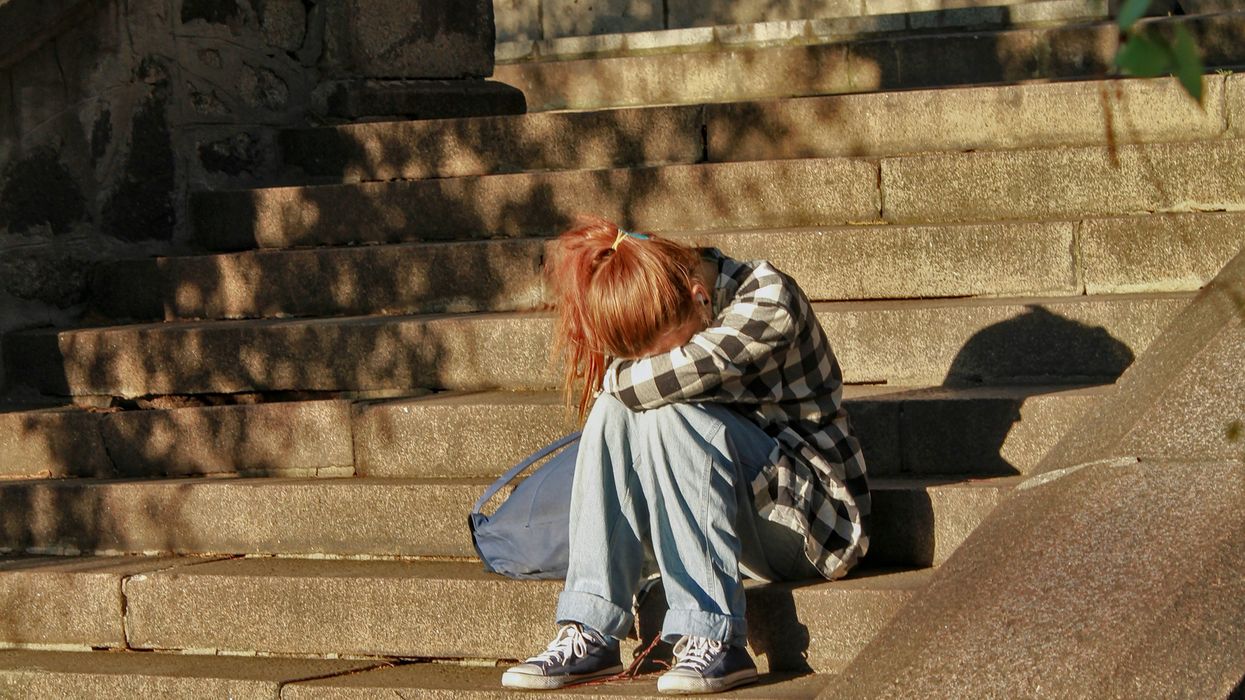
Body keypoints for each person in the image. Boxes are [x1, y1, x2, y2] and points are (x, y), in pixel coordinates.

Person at [501, 218, 870, 695]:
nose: (651, 363)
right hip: (736, 520)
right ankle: (591, 625)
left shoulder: (767, 300)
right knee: (624, 411)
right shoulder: (676, 301)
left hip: (814, 523)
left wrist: (618, 378)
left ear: (700, 296)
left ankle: (713, 636)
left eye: (663, 351)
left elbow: (641, 383)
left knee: (661, 408)